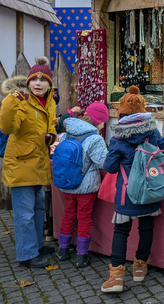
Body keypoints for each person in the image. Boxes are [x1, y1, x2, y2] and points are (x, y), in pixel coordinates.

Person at [101, 86, 164, 294]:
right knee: (146, 227)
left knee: (121, 230)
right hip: (150, 189)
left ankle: (116, 278)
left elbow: (110, 167)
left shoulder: (118, 139)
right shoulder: (153, 133)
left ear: (121, 113)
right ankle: (140, 268)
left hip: (127, 193)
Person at [0, 57, 57, 268]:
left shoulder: (48, 102)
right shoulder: (21, 100)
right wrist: (11, 100)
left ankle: (37, 245)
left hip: (38, 163)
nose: (38, 84)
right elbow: (7, 127)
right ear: (28, 83)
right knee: (25, 214)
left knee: (39, 208)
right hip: (21, 164)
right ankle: (26, 255)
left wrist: (51, 135)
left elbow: (49, 126)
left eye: (43, 80)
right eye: (34, 80)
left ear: (50, 84)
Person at [56, 102, 109, 268]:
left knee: (68, 214)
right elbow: (103, 164)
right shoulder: (95, 139)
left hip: (68, 182)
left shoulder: (68, 133)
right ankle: (82, 254)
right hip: (86, 186)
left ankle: (63, 249)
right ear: (100, 121)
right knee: (84, 217)